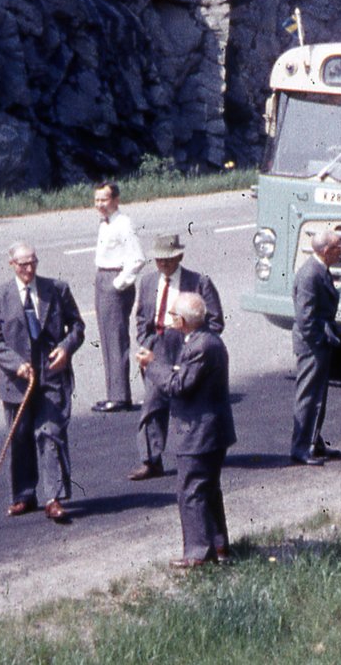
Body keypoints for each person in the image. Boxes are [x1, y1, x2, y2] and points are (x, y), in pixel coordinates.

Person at [0, 243, 84, 523]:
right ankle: (24, 496)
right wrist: (16, 365)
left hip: (52, 375)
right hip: (18, 382)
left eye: (33, 263)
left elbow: (77, 327)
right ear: (12, 264)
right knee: (20, 436)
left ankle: (54, 498)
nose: (29, 269)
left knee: (50, 433)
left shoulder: (57, 289)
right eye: (23, 264)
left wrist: (66, 348)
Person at [139, 292, 235, 568]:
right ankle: (218, 545)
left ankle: (198, 553)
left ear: (182, 320)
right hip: (212, 430)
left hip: (198, 433)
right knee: (208, 490)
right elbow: (185, 375)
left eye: (172, 316)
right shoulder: (206, 341)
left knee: (190, 491)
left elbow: (178, 386)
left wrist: (152, 365)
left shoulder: (199, 346)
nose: (169, 320)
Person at [130, 233, 223, 482]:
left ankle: (195, 451)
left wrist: (192, 342)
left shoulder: (198, 282)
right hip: (158, 346)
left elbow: (215, 321)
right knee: (152, 404)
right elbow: (141, 318)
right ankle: (151, 460)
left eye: (169, 260)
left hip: (186, 346)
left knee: (188, 400)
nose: (164, 265)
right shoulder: (149, 282)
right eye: (159, 260)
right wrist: (148, 342)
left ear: (180, 257)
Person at [289, 231, 341, 465]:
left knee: (318, 395)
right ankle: (301, 447)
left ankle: (314, 440)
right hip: (312, 346)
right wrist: (319, 341)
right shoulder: (310, 275)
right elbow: (305, 318)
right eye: (338, 247)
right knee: (309, 396)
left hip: (318, 344)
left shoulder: (319, 270)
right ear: (325, 251)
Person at [89, 182, 144, 412]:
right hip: (102, 278)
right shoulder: (106, 223)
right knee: (107, 338)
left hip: (114, 281)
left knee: (116, 339)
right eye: (97, 200)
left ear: (116, 200)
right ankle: (114, 393)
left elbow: (137, 259)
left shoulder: (123, 224)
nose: (100, 204)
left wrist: (118, 284)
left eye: (104, 199)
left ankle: (120, 397)